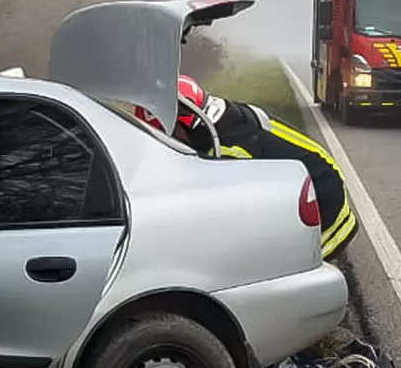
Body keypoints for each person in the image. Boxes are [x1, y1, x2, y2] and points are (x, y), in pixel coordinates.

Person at [137, 76, 358, 261]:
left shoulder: (227, 150)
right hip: (317, 172)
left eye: (161, 136)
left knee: (286, 275)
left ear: (179, 125)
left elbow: (230, 214)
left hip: (322, 195)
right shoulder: (218, 115)